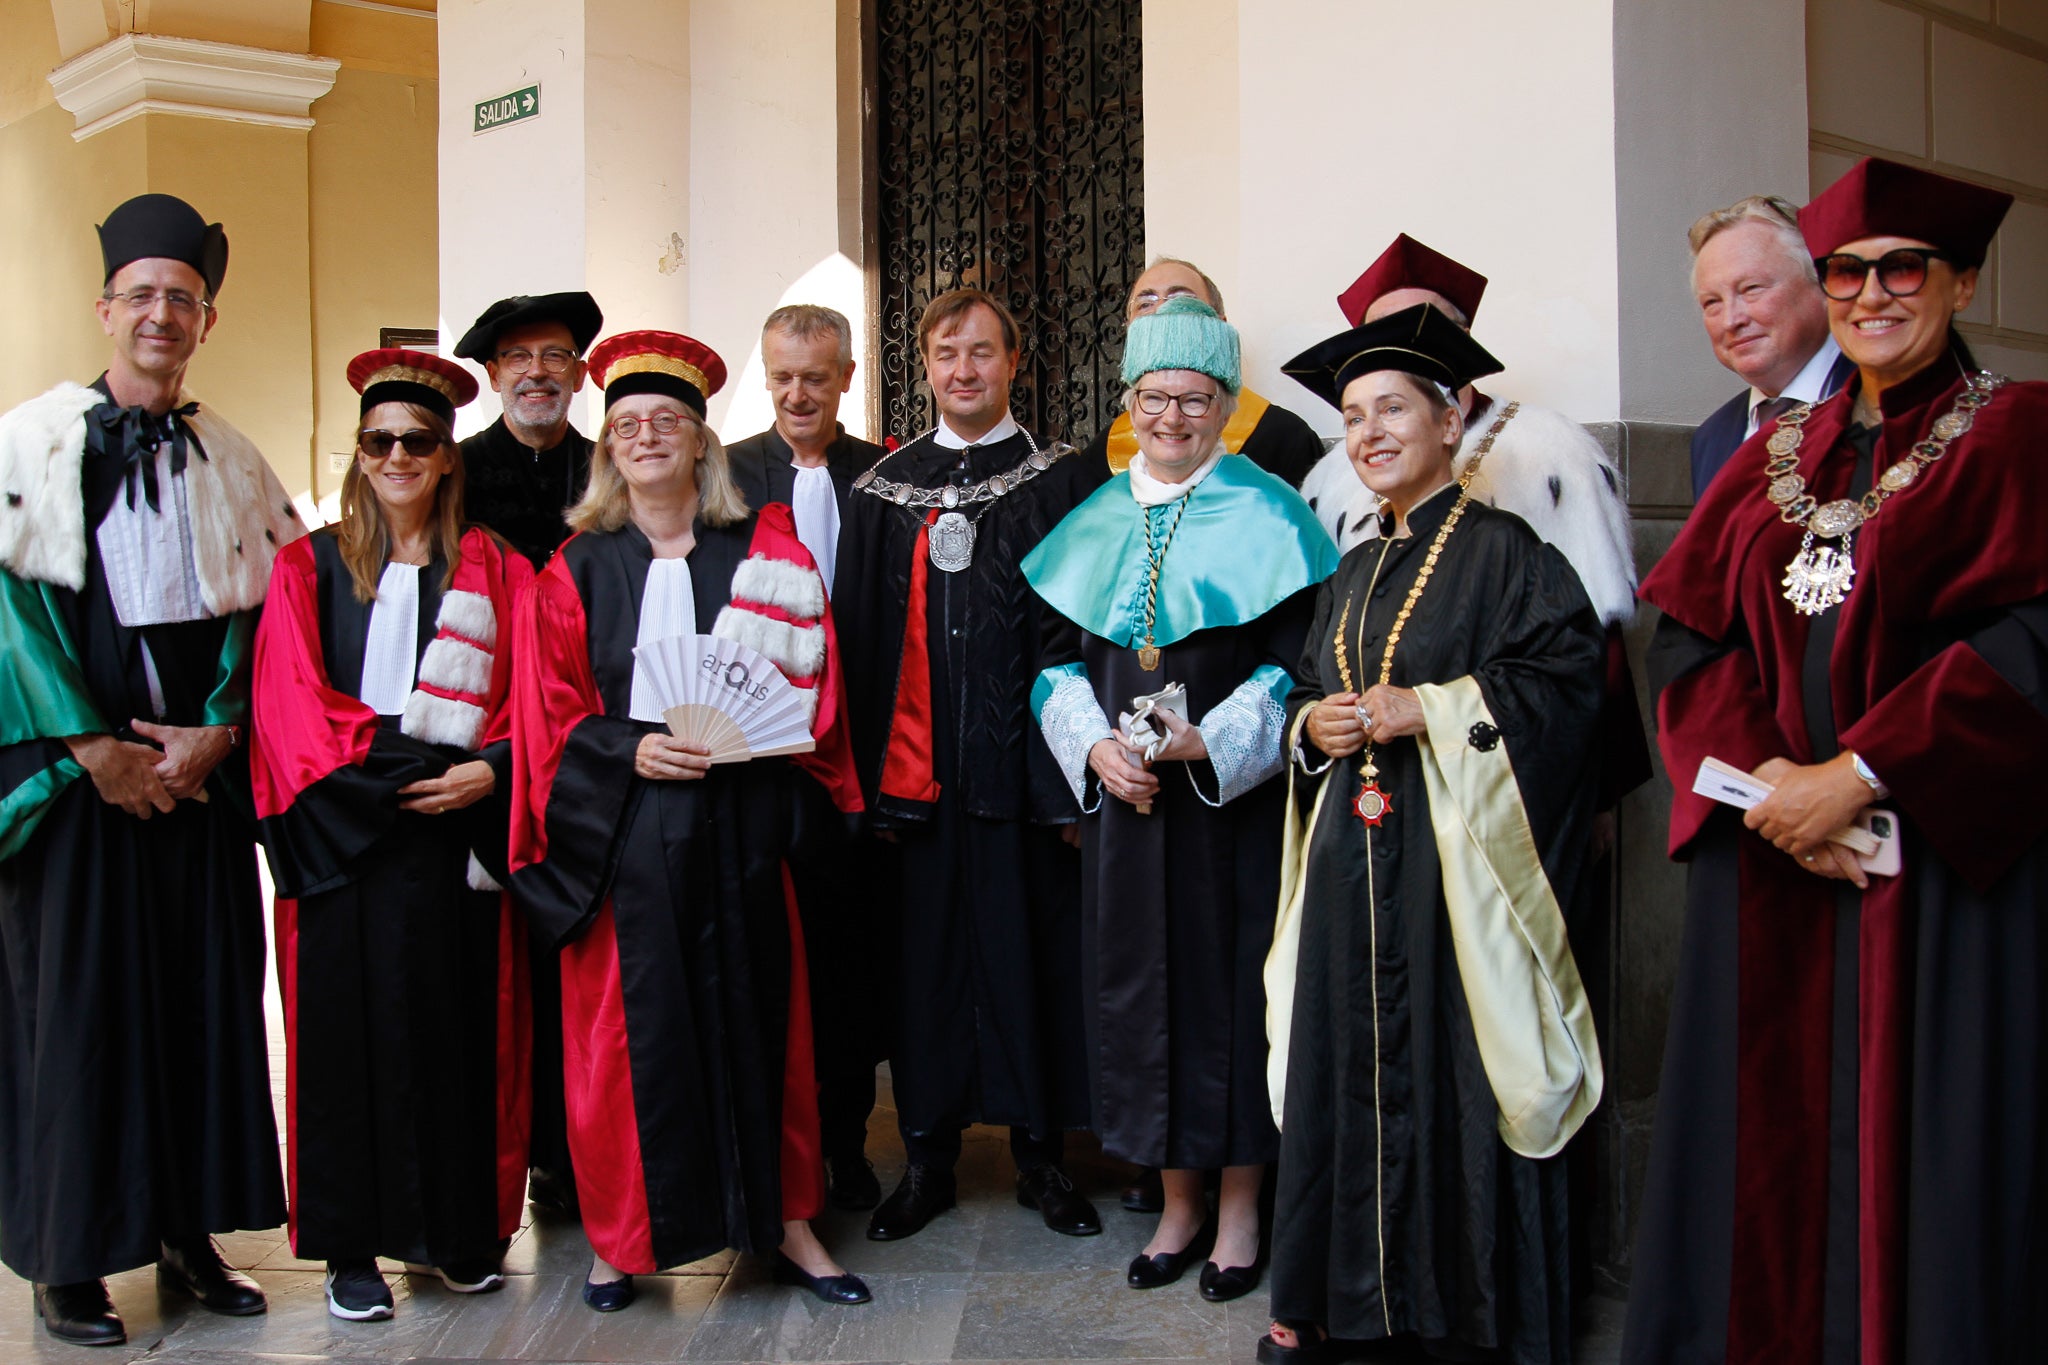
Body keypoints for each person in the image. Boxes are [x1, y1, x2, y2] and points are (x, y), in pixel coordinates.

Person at [1624, 158, 2047, 1365]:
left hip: (1939, 878)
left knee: (1926, 1151)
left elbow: (2029, 641)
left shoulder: (2017, 433)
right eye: (1847, 271)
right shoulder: (1779, 452)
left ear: (1960, 281)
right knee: (1763, 1149)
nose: (1869, 294)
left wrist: (1856, 776)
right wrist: (1767, 792)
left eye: (1899, 269)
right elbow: (1690, 637)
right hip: (1775, 870)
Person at [1259, 304, 1606, 1364]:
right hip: (1348, 869)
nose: (1367, 434)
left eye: (1392, 410)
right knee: (1344, 1071)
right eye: (1352, 417)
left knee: (1457, 1071)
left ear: (1451, 420)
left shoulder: (1507, 553)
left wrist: (1438, 708)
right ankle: (1346, 1304)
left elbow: (1568, 690)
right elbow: (1316, 694)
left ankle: (1462, 1316)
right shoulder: (1351, 571)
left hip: (1452, 881)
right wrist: (1309, 727)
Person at [509, 330, 870, 1311]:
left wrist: (747, 741)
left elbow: (811, 682)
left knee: (766, 1028)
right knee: (626, 1046)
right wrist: (627, 749)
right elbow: (549, 714)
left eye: (667, 420)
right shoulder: (572, 572)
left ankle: (789, 1226)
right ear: (607, 449)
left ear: (703, 442)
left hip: (744, 829)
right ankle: (620, 1241)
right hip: (623, 840)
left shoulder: (763, 548)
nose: (647, 436)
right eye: (627, 425)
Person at [0, 193, 301, 1346]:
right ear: (105, 309)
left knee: (203, 1006)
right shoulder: (27, 440)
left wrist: (219, 730)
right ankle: (66, 1257)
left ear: (206, 321)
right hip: (74, 786)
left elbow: (262, 615)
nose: (160, 315)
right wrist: (88, 747)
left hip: (195, 786)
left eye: (182, 298)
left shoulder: (233, 453)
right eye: (142, 297)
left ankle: (190, 1233)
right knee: (73, 1016)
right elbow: (10, 613)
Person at [1024, 297, 1338, 1299]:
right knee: (1137, 997)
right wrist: (1091, 754)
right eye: (1154, 399)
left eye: (1193, 400)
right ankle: (1175, 1204)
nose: (1171, 418)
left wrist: (1214, 742)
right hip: (1125, 814)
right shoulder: (1092, 517)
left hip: (1226, 812)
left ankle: (1240, 1209)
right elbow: (1047, 667)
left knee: (1230, 995)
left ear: (1224, 406)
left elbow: (1296, 664)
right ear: (1128, 401)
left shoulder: (1270, 513)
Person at [250, 349, 532, 1321]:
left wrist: (490, 769)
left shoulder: (494, 569)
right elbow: (291, 706)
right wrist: (404, 770)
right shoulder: (307, 568)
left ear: (447, 456)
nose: (397, 456)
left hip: (458, 836)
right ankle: (348, 1247)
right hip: (345, 841)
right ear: (358, 455)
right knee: (343, 1048)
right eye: (380, 442)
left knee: (454, 1037)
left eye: (417, 440)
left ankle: (452, 1234)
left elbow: (533, 700)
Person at [837, 287, 1099, 1243]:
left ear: (1013, 362)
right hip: (915, 789)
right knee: (927, 968)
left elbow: (1081, 630)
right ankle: (928, 1158)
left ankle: (1043, 1159)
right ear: (924, 365)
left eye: (982, 351)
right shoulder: (884, 493)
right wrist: (863, 785)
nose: (963, 369)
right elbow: (860, 642)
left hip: (1026, 776)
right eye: (947, 353)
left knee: (1031, 955)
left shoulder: (1061, 480)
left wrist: (1074, 776)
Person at [726, 305, 891, 1213]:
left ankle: (848, 1143)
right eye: (782, 375)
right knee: (767, 964)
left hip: (860, 761)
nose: (798, 393)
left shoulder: (884, 476)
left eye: (816, 377)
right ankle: (771, 1157)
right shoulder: (727, 475)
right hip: (760, 763)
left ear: (846, 377)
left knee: (850, 965)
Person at [453, 288, 604, 1218]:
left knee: (582, 954)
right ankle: (510, 1154)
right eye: (520, 359)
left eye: (555, 356)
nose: (538, 372)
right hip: (489, 744)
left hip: (590, 744)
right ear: (495, 374)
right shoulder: (454, 471)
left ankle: (578, 1148)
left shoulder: (613, 461)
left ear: (580, 373)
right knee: (497, 964)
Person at [1079, 258, 1327, 489]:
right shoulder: (1102, 454)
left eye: (1181, 300)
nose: (1162, 313)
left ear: (1218, 326)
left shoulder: (1284, 438)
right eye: (1145, 304)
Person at [1687, 194, 1854, 496]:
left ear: (1822, 286)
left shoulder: (1888, 405)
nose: (1730, 320)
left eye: (1751, 289)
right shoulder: (1712, 439)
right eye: (1712, 302)